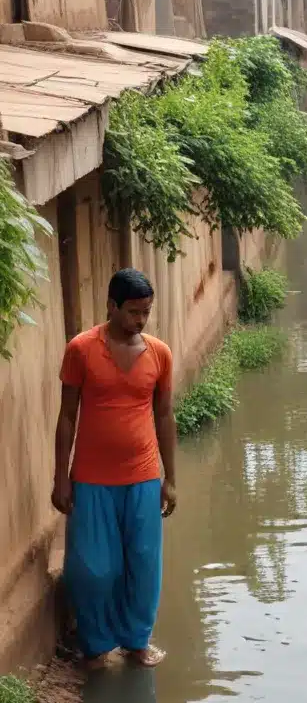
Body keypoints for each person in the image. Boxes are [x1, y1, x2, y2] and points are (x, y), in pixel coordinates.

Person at [52, 269, 177, 669]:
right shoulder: (81, 349)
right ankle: (95, 645)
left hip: (142, 477)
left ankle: (136, 642)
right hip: (90, 479)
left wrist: (170, 478)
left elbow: (165, 415)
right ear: (111, 306)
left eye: (146, 312)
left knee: (143, 563)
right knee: (92, 568)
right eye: (134, 312)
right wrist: (60, 477)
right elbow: (67, 416)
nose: (141, 320)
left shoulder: (159, 353)